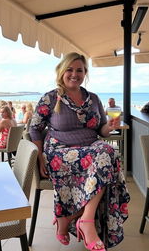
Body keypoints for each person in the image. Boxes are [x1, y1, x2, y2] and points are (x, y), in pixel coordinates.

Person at [29, 52, 130, 250]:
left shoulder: (93, 98)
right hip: (59, 152)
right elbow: (34, 128)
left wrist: (109, 127)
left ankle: (80, 217)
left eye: (79, 70)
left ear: (85, 74)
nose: (74, 74)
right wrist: (40, 158)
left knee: (108, 151)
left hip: (90, 150)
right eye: (70, 69)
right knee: (105, 159)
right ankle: (80, 220)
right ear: (61, 71)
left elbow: (101, 129)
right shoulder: (50, 98)